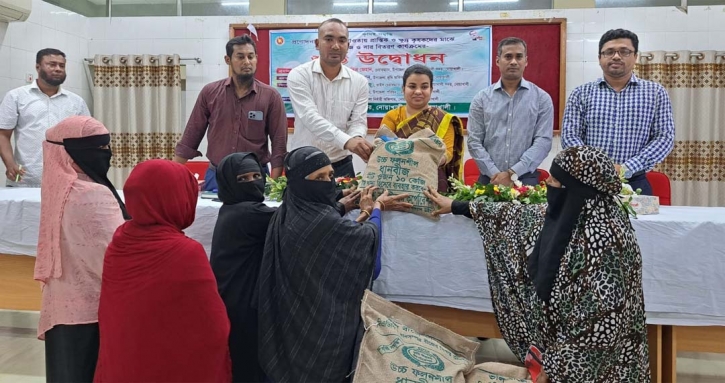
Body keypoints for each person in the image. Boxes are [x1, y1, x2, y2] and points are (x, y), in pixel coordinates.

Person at [425, 146, 650, 383]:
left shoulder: (605, 243)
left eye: (555, 180)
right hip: (560, 357)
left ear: (576, 188)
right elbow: (515, 215)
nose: (548, 183)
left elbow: (597, 330)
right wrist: (458, 206)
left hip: (595, 371)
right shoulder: (577, 210)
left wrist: (554, 369)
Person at [256, 146, 411, 382]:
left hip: (290, 323)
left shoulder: (288, 209)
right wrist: (374, 210)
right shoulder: (323, 223)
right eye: (319, 177)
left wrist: (342, 207)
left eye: (330, 175)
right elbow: (366, 247)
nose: (328, 182)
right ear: (300, 181)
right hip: (321, 328)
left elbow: (323, 226)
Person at [95, 159, 231, 383]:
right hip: (168, 367)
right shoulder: (185, 252)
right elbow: (213, 327)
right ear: (174, 198)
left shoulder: (120, 241)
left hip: (124, 362)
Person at [35, 116, 127, 382]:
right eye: (97, 149)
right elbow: (115, 257)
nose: (105, 155)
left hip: (61, 306)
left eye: (106, 147)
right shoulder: (92, 194)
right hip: (95, 311)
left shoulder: (56, 188)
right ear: (70, 151)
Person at [561, 29, 675, 196]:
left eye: (624, 51)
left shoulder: (655, 92)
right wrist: (598, 167)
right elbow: (569, 137)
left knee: (639, 224)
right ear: (599, 58)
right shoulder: (581, 93)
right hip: (588, 182)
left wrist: (625, 169)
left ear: (635, 56)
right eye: (609, 52)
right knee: (583, 223)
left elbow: (664, 137)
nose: (616, 56)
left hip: (635, 182)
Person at [174, 35, 287, 191]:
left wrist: (273, 186)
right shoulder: (210, 93)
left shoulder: (270, 96)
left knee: (256, 216)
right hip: (217, 176)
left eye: (250, 56)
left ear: (256, 58)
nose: (247, 62)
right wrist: (170, 176)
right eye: (240, 57)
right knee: (211, 216)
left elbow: (279, 144)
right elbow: (191, 137)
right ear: (228, 60)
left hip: (255, 177)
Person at [210, 152, 275, 383]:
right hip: (242, 305)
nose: (253, 182)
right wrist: (341, 204)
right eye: (243, 179)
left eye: (257, 175)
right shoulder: (247, 213)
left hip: (231, 299)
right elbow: (295, 221)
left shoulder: (231, 208)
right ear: (228, 182)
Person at [287, 18, 373, 178]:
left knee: (346, 203)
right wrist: (348, 142)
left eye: (342, 40)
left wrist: (357, 139)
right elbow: (310, 117)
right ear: (317, 43)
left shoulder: (360, 82)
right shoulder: (299, 75)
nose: (335, 46)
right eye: (328, 39)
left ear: (348, 45)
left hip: (341, 164)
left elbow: (358, 122)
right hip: (305, 164)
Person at [467, 37, 553, 187]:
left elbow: (543, 142)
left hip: (525, 179)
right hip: (489, 179)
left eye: (519, 56)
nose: (513, 61)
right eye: (508, 56)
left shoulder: (542, 99)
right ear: (497, 61)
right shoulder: (481, 99)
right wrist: (496, 174)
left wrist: (512, 173)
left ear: (526, 61)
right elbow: (474, 141)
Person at [0, 48, 91, 187]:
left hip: (67, 180)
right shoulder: (16, 97)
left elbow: (87, 138)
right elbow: (3, 135)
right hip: (23, 179)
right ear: (38, 67)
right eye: (52, 64)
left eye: (62, 65)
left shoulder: (76, 102)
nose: (58, 69)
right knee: (20, 208)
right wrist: (10, 164)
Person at [380, 64, 465, 192]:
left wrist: (423, 162)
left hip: (431, 181)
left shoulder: (443, 119)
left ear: (431, 89)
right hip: (395, 179)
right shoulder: (392, 116)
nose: (418, 91)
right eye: (412, 86)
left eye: (424, 86)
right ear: (403, 89)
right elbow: (382, 147)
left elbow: (447, 153)